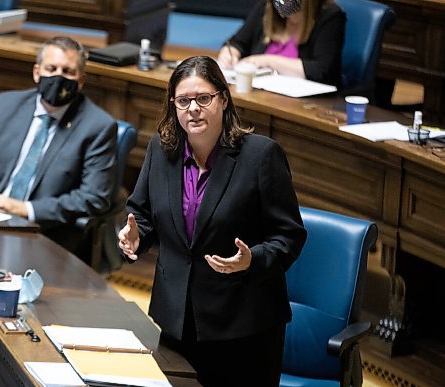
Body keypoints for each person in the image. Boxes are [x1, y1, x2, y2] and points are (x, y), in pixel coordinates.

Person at [118, 56, 306, 386]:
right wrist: (135, 237)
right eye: (183, 100)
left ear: (223, 99)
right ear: (173, 105)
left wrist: (253, 259)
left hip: (243, 327)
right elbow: (142, 215)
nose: (193, 109)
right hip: (178, 318)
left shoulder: (260, 156)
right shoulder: (161, 152)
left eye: (203, 98)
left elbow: (289, 235)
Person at [0, 36, 117, 257]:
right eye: (51, 68)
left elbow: (94, 198)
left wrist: (24, 209)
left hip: (43, 232)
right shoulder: (8, 105)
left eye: (67, 71)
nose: (58, 77)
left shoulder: (97, 126)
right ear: (37, 72)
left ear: (81, 81)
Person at [217, 0, 345, 87]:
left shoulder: (329, 15)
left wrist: (267, 61)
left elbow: (321, 71)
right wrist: (230, 53)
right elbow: (236, 42)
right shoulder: (267, 8)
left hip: (304, 104)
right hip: (262, 96)